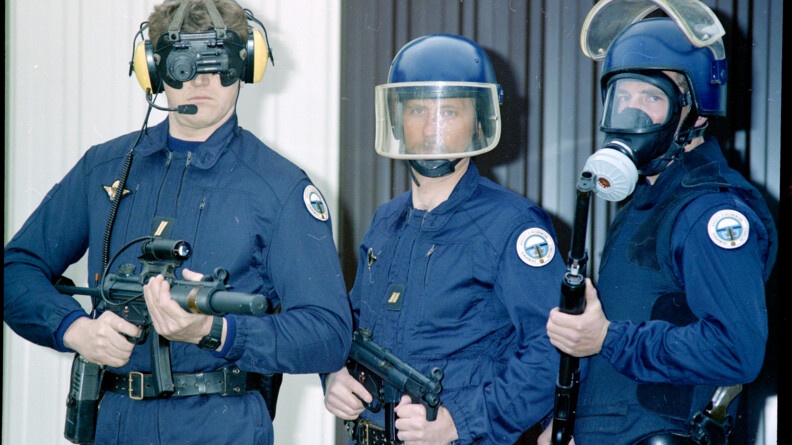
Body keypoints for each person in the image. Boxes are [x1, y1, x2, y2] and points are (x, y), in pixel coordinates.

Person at [3, 1, 352, 444]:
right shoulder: (105, 168)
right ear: (152, 68)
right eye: (182, 63)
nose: (200, 81)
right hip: (114, 425)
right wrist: (76, 330)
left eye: (217, 61)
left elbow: (328, 333)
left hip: (221, 427)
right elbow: (16, 269)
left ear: (245, 63)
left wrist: (216, 331)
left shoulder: (279, 189)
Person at [539, 10, 778, 445]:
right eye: (622, 96)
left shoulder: (710, 211)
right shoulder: (641, 207)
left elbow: (736, 350)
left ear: (696, 113)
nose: (633, 111)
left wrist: (608, 338)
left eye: (651, 96)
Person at [323, 34, 565, 445]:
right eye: (418, 108)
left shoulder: (513, 225)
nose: (432, 125)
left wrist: (460, 423)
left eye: (450, 111)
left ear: (479, 120)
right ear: (398, 118)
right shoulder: (387, 220)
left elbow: (554, 352)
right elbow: (351, 325)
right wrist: (333, 373)